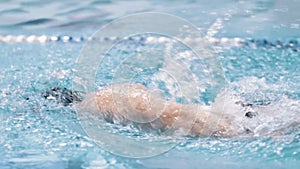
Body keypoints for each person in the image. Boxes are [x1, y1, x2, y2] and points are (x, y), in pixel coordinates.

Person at [43, 84, 251, 138]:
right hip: (132, 99)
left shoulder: (91, 107)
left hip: (136, 105)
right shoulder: (102, 95)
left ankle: (241, 131)